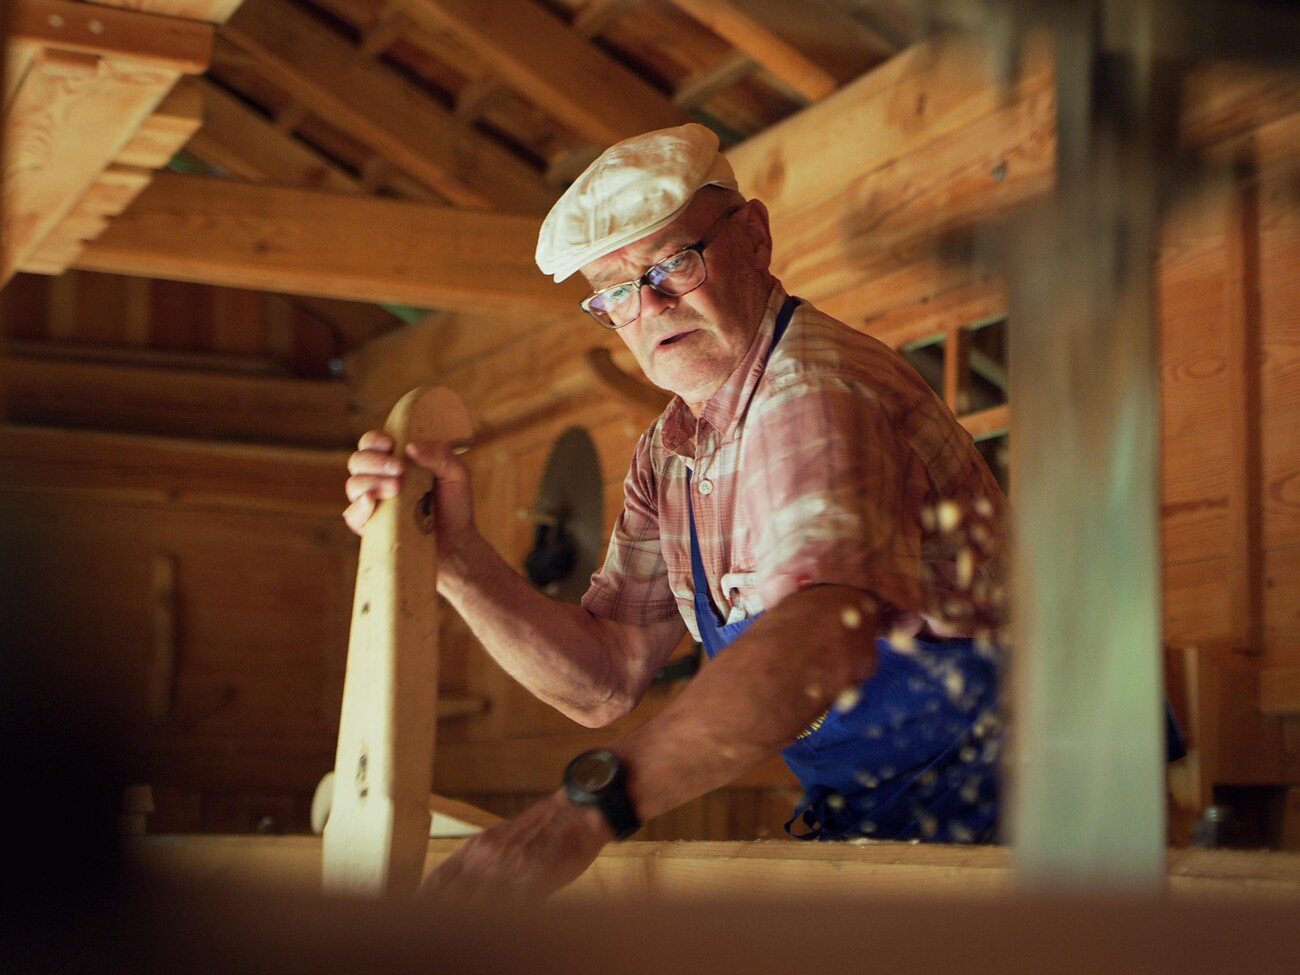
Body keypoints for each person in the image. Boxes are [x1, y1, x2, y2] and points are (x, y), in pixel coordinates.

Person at [343, 123, 1007, 901]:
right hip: (901, 828)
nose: (651, 305)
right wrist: (455, 556)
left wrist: (577, 816)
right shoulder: (672, 450)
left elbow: (820, 640)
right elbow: (606, 677)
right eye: (616, 292)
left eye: (672, 263)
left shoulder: (814, 392)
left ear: (754, 237)